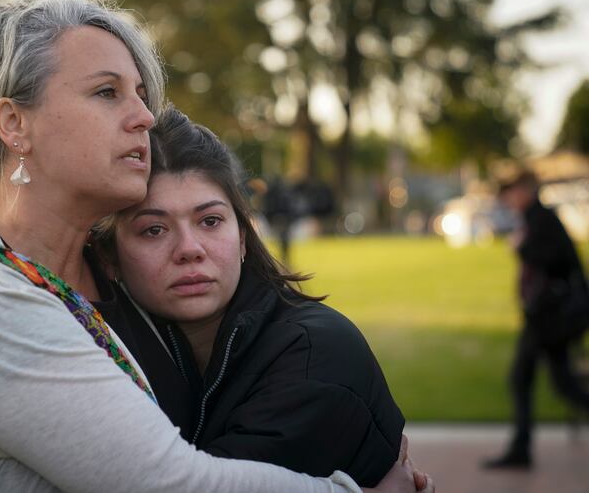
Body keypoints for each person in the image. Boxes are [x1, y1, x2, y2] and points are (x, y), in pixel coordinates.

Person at [0, 0, 430, 493]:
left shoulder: (90, 278)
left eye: (142, 97)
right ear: (13, 123)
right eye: (107, 93)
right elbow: (169, 484)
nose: (145, 118)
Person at [93, 107, 408, 488]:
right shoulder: (112, 351)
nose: (189, 249)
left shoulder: (315, 357)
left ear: (242, 236)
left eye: (210, 221)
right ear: (110, 258)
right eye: (154, 229)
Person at [483, 169, 589, 469]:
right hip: (546, 316)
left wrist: (521, 247)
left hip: (549, 318)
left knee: (522, 377)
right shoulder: (535, 219)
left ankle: (521, 449)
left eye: (513, 190)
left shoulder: (541, 220)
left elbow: (554, 260)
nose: (509, 197)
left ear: (527, 190)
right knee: (562, 383)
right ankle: (521, 448)